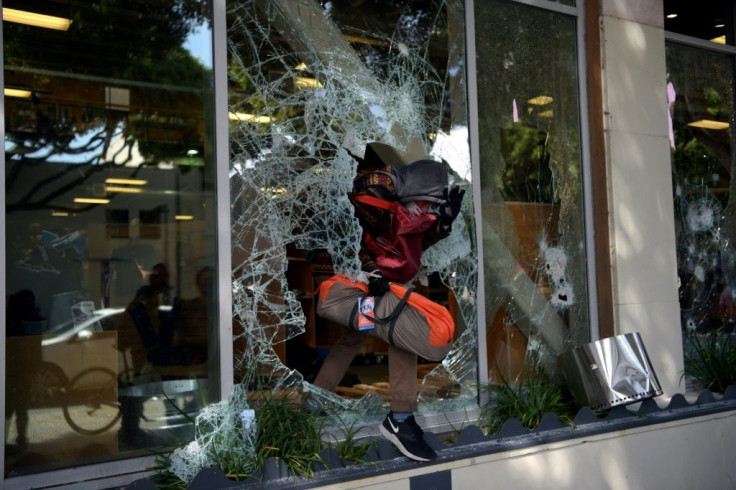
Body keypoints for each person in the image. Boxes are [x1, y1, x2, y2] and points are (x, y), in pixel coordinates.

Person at [311, 142, 464, 462]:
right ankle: (399, 419)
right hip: (370, 285)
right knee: (392, 335)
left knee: (360, 339)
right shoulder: (379, 193)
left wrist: (443, 223)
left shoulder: (407, 207)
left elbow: (416, 239)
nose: (428, 210)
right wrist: (372, 271)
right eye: (427, 203)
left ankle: (319, 402)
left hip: (385, 284)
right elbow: (357, 233)